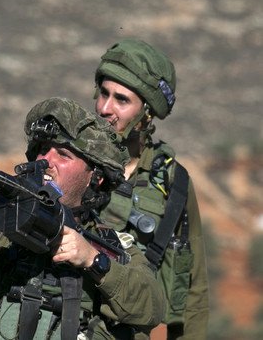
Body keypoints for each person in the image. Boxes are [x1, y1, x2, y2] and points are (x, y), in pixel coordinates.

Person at [0, 97, 164, 339]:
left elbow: (152, 308)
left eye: (63, 154)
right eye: (42, 150)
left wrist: (92, 260)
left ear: (96, 178)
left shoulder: (109, 243)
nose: (46, 161)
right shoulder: (4, 214)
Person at [92, 39, 209, 339]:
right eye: (103, 94)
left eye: (121, 99)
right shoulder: (71, 161)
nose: (106, 108)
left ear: (147, 113)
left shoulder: (173, 182)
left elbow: (192, 289)